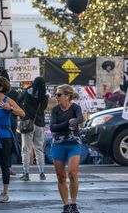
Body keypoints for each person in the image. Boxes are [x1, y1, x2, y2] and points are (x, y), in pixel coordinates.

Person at [50, 84, 83, 213]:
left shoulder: (75, 107)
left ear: (67, 96)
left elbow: (80, 118)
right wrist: (68, 123)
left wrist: (74, 122)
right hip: (58, 144)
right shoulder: (55, 110)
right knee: (61, 177)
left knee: (73, 173)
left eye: (58, 95)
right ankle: (66, 205)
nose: (56, 97)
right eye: (56, 95)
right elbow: (53, 127)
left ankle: (74, 204)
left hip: (73, 143)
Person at [18, 76, 49, 181]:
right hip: (39, 123)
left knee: (25, 149)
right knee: (39, 149)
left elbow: (18, 101)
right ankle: (42, 172)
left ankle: (26, 173)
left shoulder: (27, 92)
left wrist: (24, 112)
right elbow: (43, 109)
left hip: (27, 123)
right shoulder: (44, 96)